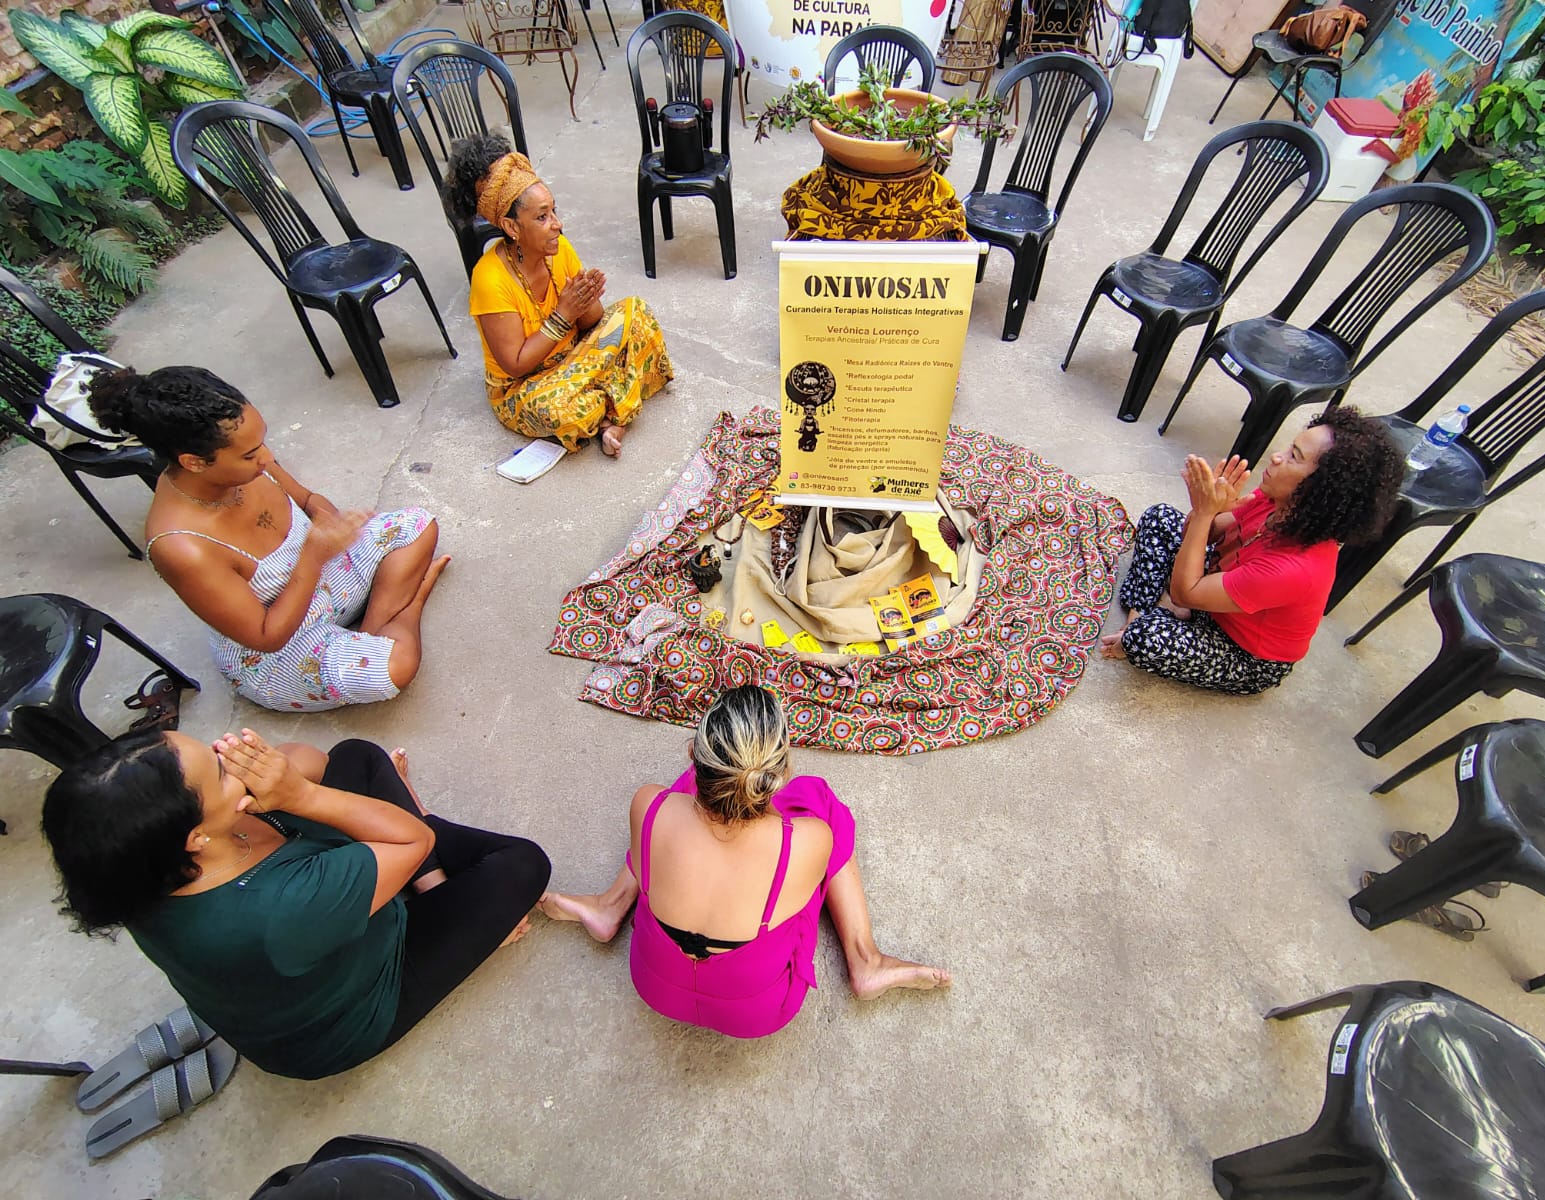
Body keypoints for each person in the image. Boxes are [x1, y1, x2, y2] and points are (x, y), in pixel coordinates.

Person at [41, 729, 550, 1080]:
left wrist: (280, 778)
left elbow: (309, 759)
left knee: (356, 756)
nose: (228, 752)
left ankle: (426, 882)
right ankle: (433, 891)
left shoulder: (136, 867)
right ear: (195, 838)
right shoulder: (276, 912)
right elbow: (413, 840)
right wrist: (302, 798)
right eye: (219, 769)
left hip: (305, 937)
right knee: (521, 865)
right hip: (360, 1004)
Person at [539, 686, 950, 1038]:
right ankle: (865, 959)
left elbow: (696, 800)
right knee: (818, 798)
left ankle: (610, 905)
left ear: (692, 751)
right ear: (780, 773)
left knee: (682, 799)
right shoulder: (808, 841)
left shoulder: (648, 803)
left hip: (654, 985)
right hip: (757, 1012)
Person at [87, 366, 448, 712]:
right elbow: (266, 636)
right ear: (194, 462)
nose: (266, 457)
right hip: (279, 643)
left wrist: (330, 521)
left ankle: (370, 633)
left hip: (322, 581)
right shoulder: (180, 546)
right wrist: (314, 554)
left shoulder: (250, 460)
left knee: (417, 525)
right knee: (396, 667)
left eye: (261, 442)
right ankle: (408, 607)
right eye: (249, 454)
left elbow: (307, 500)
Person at [1100, 407, 1402, 695]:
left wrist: (1204, 514)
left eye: (1293, 457)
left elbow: (1185, 592)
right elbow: (1209, 533)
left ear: (1320, 490)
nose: (1277, 457)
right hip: (1215, 589)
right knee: (1161, 518)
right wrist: (1209, 510)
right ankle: (1139, 614)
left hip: (1241, 651)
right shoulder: (1278, 499)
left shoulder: (1294, 569)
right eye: (1290, 447)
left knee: (1145, 639)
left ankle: (1151, 620)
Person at [445, 132, 673, 458]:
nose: (556, 224)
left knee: (636, 313)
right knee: (567, 413)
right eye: (542, 217)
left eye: (553, 211)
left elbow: (591, 324)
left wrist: (585, 300)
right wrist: (563, 315)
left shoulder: (559, 248)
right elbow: (516, 365)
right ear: (512, 228)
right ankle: (615, 411)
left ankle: (609, 412)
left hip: (574, 358)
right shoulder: (489, 279)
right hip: (525, 386)